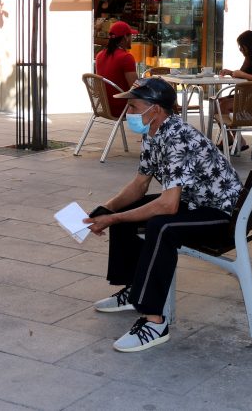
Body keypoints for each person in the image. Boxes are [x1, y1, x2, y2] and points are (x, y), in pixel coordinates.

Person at [84, 78, 242, 352]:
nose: (128, 114)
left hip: (222, 214)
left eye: (133, 107)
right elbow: (139, 184)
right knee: (126, 212)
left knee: (162, 227)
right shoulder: (154, 132)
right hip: (195, 202)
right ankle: (134, 292)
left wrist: (114, 219)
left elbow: (168, 206)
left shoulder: (178, 138)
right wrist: (107, 209)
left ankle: (154, 321)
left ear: (155, 109)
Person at [217, 30, 252, 151]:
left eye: (242, 46)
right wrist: (231, 72)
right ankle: (228, 138)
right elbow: (245, 75)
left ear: (249, 45)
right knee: (216, 103)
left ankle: (239, 140)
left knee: (223, 105)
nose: (240, 49)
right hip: (247, 97)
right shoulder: (249, 58)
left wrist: (241, 73)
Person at [95, 21, 138, 118]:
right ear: (125, 38)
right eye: (131, 36)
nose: (132, 39)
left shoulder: (100, 55)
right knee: (162, 101)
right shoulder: (126, 57)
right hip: (123, 108)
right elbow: (136, 87)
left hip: (105, 107)